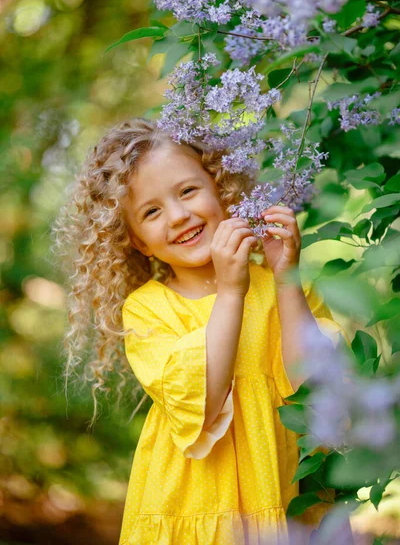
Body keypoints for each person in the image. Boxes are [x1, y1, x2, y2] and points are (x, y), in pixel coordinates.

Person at [52, 117, 351, 545]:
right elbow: (207, 406)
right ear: (137, 240)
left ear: (220, 187)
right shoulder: (148, 309)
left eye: (188, 191)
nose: (178, 216)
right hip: (193, 506)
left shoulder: (283, 286)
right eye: (151, 212)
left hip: (285, 492)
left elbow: (314, 395)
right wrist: (231, 292)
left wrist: (285, 277)